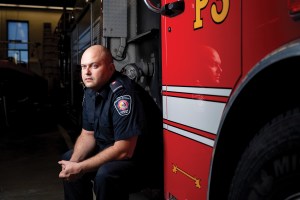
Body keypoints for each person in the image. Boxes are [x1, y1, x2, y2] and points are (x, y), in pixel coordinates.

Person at [58, 45, 163, 200]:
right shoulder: (90, 91)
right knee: (69, 158)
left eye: (94, 66)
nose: (87, 72)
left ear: (110, 68)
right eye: (83, 67)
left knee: (106, 175)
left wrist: (81, 168)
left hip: (141, 161)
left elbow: (124, 150)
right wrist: (74, 163)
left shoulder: (123, 94)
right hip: (111, 150)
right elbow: (88, 134)